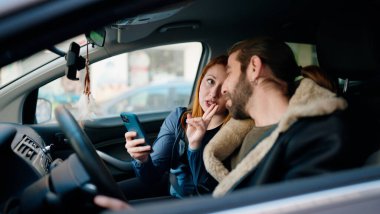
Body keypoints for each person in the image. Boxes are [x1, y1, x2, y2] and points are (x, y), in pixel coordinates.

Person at [203, 37, 355, 197]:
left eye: (229, 73)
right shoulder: (236, 138)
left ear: (254, 68)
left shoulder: (318, 137)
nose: (223, 89)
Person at [120, 55, 230, 200]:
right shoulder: (180, 118)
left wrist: (194, 147)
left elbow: (207, 191)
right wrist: (142, 160)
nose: (213, 93)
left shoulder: (233, 132)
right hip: (174, 195)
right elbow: (151, 179)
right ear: (200, 81)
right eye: (210, 81)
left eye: (224, 89)